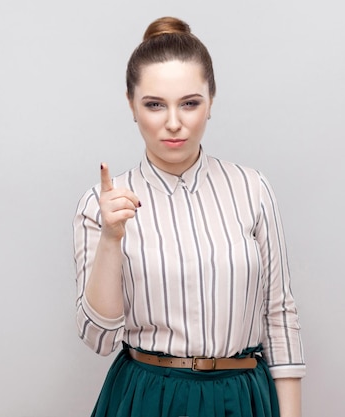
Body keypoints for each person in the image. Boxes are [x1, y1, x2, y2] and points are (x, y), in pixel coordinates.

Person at [73, 16, 305, 417]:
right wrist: (112, 239)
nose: (174, 122)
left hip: (243, 398)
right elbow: (99, 339)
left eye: (190, 103)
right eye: (154, 104)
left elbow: (279, 317)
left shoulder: (252, 188)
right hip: (148, 397)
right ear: (131, 105)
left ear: (211, 101)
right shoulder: (101, 203)